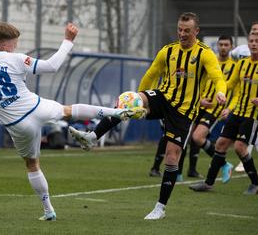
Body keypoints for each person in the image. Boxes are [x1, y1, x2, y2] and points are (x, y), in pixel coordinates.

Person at [0, 22, 144, 221]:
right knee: (68, 111)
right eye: (14, 44)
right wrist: (68, 41)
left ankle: (48, 210)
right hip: (34, 106)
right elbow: (51, 66)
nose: (15, 47)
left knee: (32, 164)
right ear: (6, 45)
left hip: (16, 123)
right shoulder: (15, 59)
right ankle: (116, 112)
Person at [69, 12, 227, 220]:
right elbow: (151, 74)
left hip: (184, 112)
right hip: (164, 97)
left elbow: (217, 75)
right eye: (180, 29)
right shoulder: (168, 51)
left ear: (196, 31)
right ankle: (92, 137)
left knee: (172, 157)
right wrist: (137, 99)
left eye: (187, 31)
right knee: (126, 101)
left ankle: (160, 207)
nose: (182, 34)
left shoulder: (205, 54)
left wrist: (220, 91)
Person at [189, 32, 258, 195]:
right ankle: (208, 183)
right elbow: (229, 84)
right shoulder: (242, 64)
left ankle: (256, 183)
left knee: (239, 147)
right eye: (251, 41)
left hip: (253, 114)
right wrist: (220, 92)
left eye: (257, 41)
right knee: (221, 143)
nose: (254, 44)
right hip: (237, 112)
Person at [175, 35, 237, 181]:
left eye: (226, 45)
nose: (223, 47)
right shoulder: (209, 60)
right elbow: (197, 81)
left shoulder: (234, 67)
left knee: (197, 137)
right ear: (217, 45)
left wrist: (229, 108)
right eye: (221, 44)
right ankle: (177, 172)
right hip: (199, 103)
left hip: (214, 108)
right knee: (185, 136)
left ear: (231, 47)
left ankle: (223, 164)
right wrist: (199, 99)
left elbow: (237, 92)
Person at [230, 21, 258, 177]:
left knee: (253, 135)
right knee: (253, 135)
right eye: (253, 32)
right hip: (244, 106)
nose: (254, 43)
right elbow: (232, 57)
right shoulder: (241, 53)